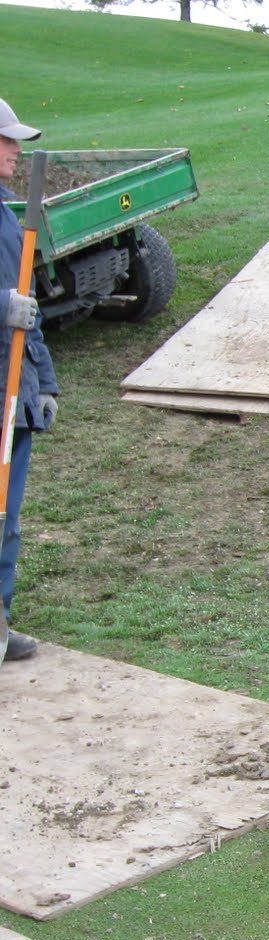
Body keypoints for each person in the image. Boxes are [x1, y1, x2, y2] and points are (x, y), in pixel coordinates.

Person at [0, 96, 59, 661]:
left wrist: (45, 384)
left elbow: (30, 309)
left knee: (7, 520)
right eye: (7, 140)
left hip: (13, 394)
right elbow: (12, 306)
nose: (16, 151)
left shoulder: (7, 217)